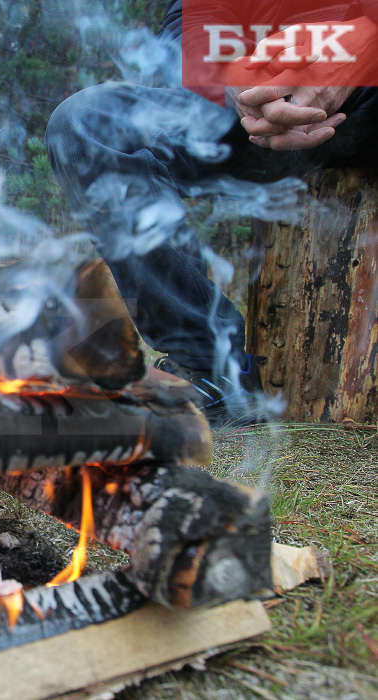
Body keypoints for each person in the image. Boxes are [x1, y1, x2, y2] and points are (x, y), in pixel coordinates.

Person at [44, 0, 378, 425]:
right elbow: (191, 20)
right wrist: (235, 78)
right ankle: (213, 369)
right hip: (249, 109)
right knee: (85, 124)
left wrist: (359, 49)